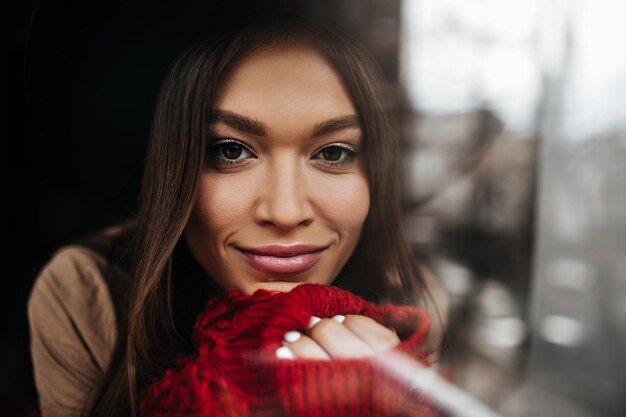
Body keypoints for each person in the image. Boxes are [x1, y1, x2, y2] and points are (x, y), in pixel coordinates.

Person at [27, 13, 446, 417]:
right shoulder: (90, 291)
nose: (285, 213)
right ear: (174, 166)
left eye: (334, 153)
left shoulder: (408, 300)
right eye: (231, 151)